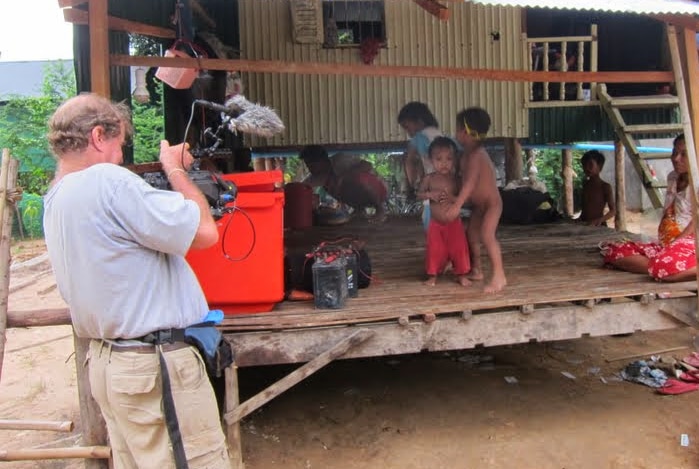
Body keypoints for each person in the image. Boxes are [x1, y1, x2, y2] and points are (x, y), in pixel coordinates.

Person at [43, 94, 232, 468]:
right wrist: (175, 169)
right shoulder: (107, 182)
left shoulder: (56, 196)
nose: (120, 157)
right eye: (118, 146)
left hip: (108, 362)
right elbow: (205, 232)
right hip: (151, 365)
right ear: (99, 136)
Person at [602, 134, 697, 282]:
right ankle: (667, 268)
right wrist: (668, 246)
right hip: (668, 245)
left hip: (690, 243)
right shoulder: (673, 177)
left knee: (662, 265)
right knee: (614, 252)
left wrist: (677, 242)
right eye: (674, 153)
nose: (676, 158)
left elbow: (696, 222)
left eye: (683, 154)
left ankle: (666, 267)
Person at [444, 107, 507, 293]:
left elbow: (470, 184)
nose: (455, 133)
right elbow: (462, 182)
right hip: (479, 206)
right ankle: (477, 269)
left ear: (464, 132)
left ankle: (499, 275)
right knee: (472, 234)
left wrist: (456, 205)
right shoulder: (466, 155)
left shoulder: (477, 155)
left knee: (487, 235)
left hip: (492, 205)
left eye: (457, 129)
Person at [416, 136, 471, 286]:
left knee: (459, 249)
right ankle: (432, 276)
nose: (444, 163)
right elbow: (418, 195)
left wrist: (452, 198)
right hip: (436, 223)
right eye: (439, 159)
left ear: (454, 159)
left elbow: (464, 199)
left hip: (454, 223)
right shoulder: (429, 179)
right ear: (430, 160)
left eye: (448, 159)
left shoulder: (456, 179)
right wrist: (429, 195)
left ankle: (461, 274)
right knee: (435, 250)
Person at [299, 144, 388, 223]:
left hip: (380, 189)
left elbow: (368, 165)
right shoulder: (318, 177)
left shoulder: (340, 159)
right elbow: (300, 188)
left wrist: (342, 177)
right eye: (308, 166)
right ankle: (359, 210)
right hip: (363, 197)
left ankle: (380, 209)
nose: (310, 169)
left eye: (312, 165)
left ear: (323, 160)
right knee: (331, 185)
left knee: (356, 178)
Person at [397, 102, 445, 229]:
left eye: (407, 127)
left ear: (419, 121)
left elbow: (410, 160)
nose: (408, 132)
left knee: (430, 222)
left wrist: (412, 185)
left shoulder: (419, 138)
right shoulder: (439, 134)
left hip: (432, 186)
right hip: (447, 185)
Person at [579, 150, 616, 226]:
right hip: (584, 224)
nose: (586, 168)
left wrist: (599, 220)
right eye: (584, 165)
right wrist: (580, 218)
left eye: (590, 164)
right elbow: (585, 208)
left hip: (598, 226)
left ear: (599, 166)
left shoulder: (605, 186)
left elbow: (613, 211)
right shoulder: (585, 184)